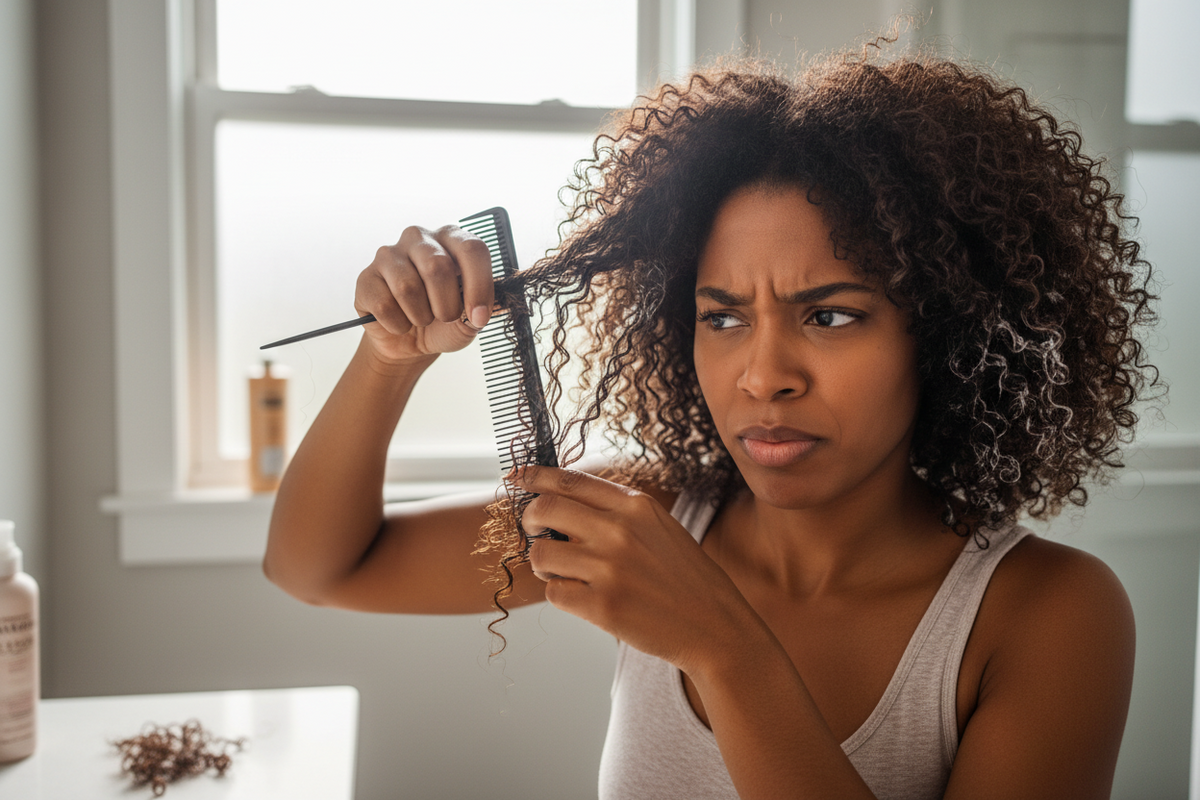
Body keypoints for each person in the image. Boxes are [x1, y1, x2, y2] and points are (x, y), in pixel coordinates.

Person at [263, 40, 1156, 799]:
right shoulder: (655, 514)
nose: (763, 376)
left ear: (946, 331)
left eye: (830, 315)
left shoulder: (1047, 614)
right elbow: (321, 567)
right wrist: (388, 359)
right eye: (722, 318)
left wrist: (724, 647)